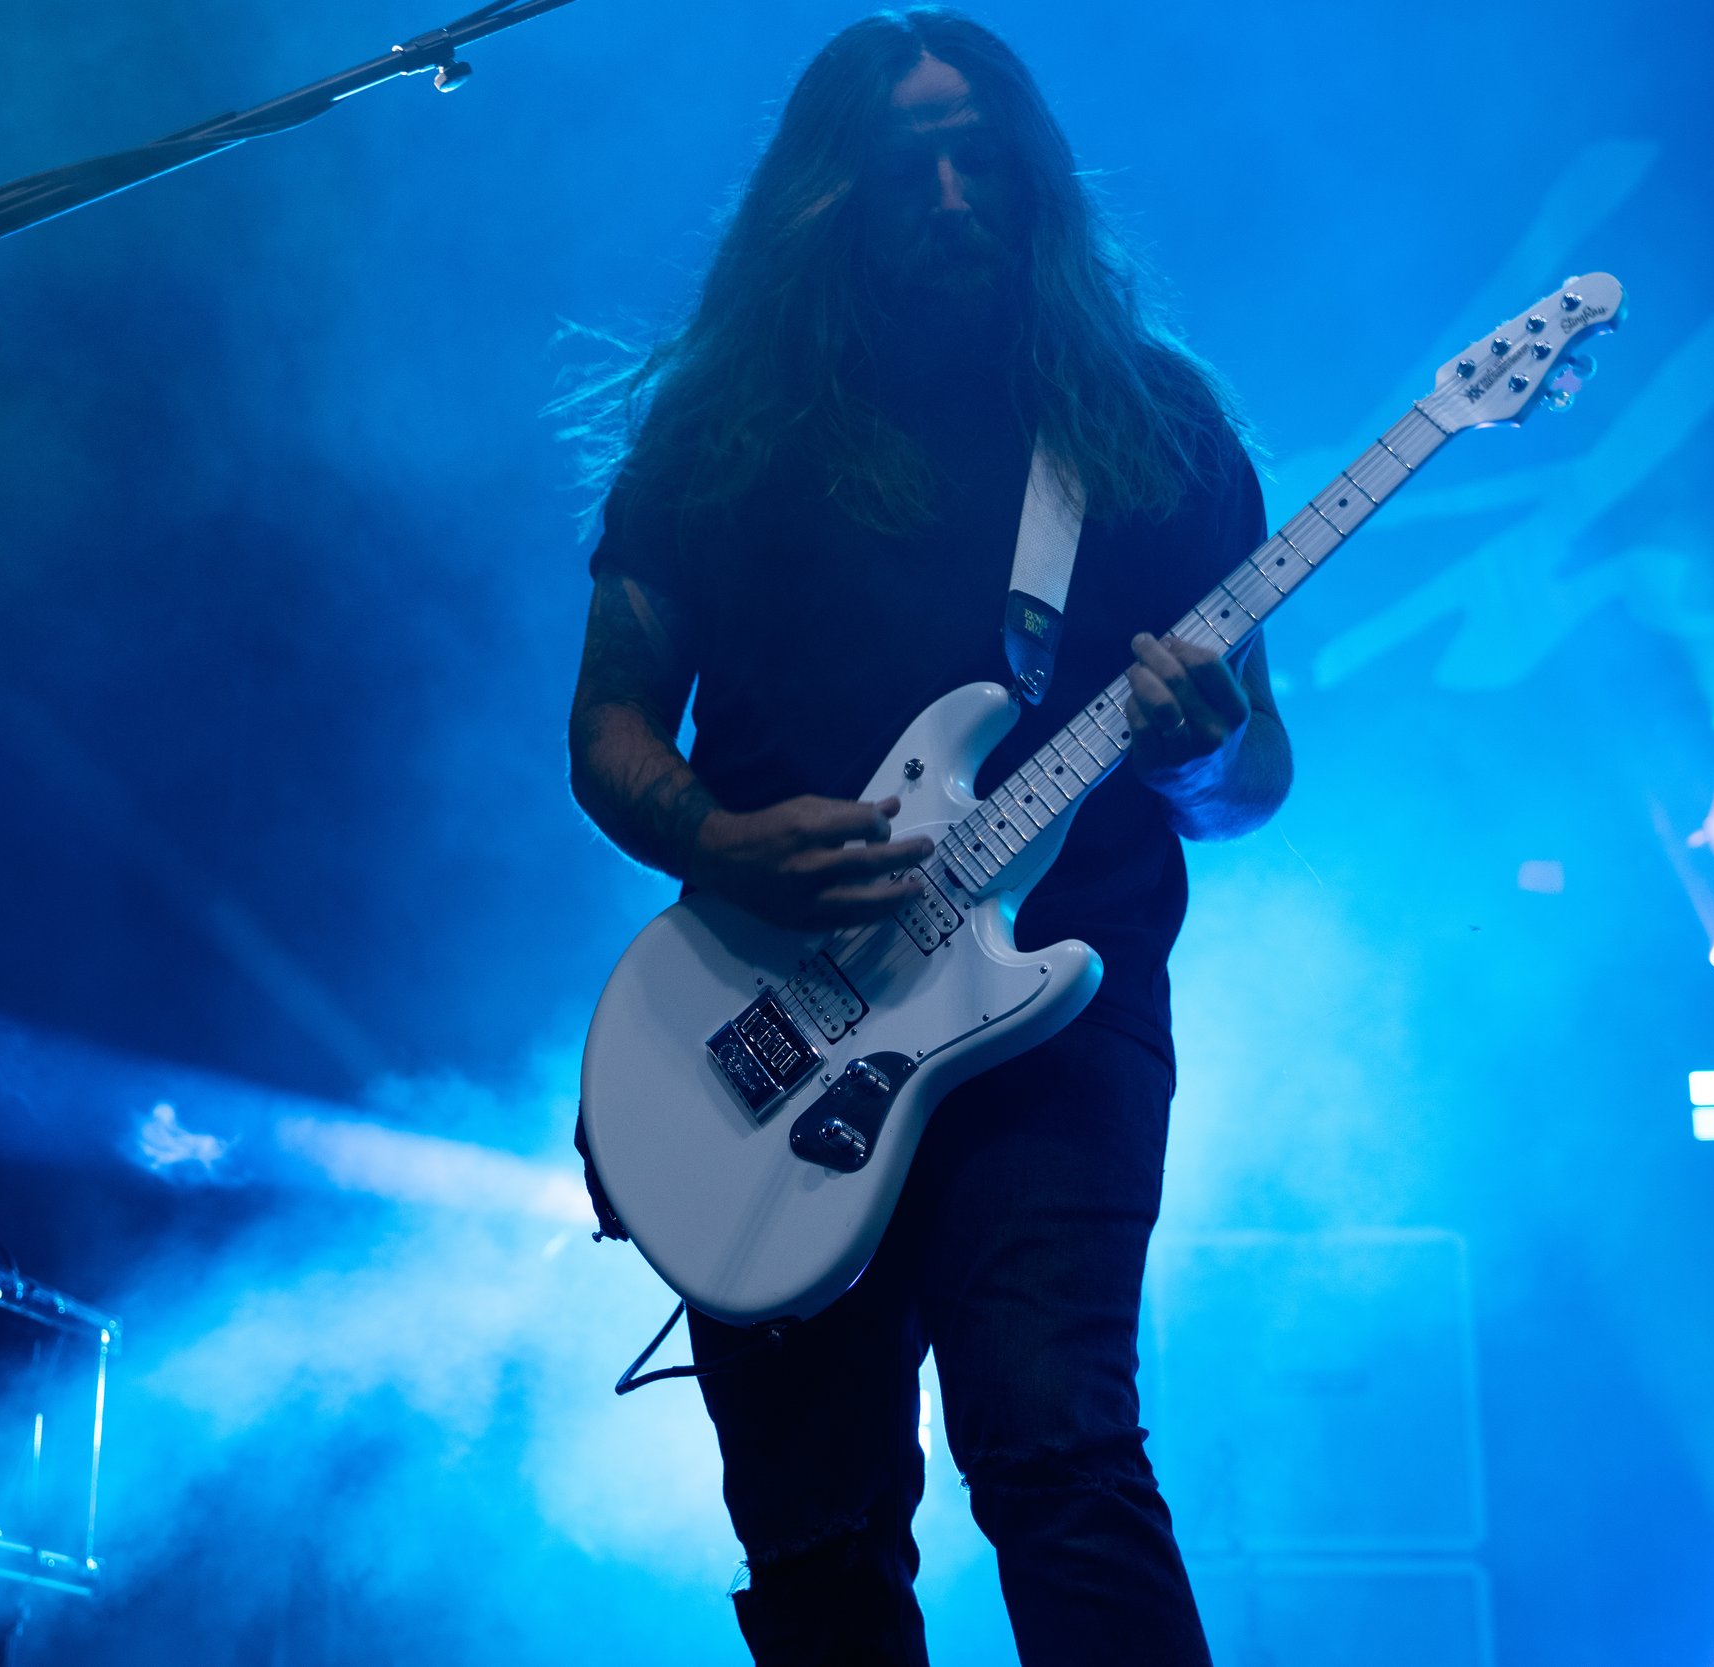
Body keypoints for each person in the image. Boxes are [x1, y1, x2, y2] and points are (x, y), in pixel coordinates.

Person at [564, 10, 1292, 1665]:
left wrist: (1202, 748)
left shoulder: (1153, 432)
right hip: (763, 1027)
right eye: (911, 168)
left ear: (1039, 184)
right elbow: (606, 732)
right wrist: (728, 838)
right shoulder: (720, 434)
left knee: (1060, 1458)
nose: (957, 197)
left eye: (988, 163)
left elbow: (1250, 787)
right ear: (827, 197)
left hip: (1055, 1034)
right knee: (816, 1533)